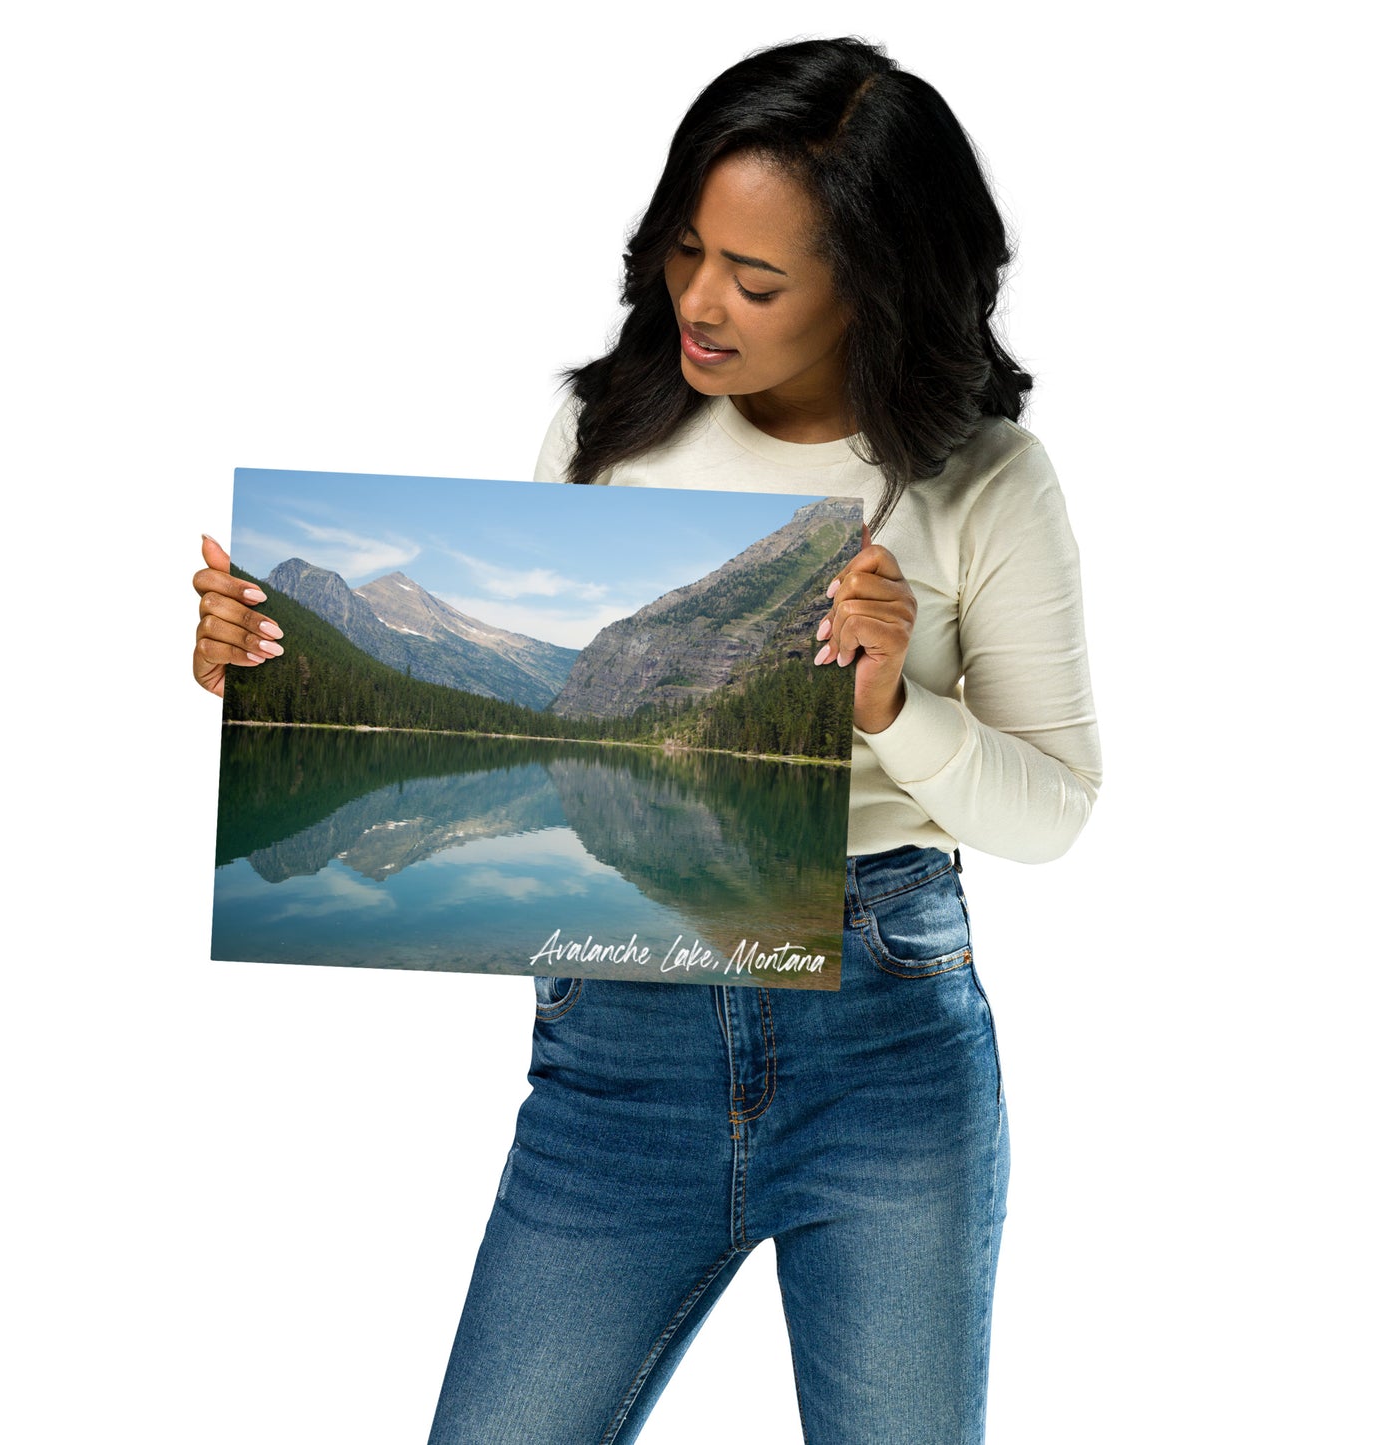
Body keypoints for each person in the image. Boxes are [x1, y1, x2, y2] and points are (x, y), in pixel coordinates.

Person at [192, 36, 1101, 1443]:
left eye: (755, 277)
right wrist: (260, 681)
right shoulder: (600, 427)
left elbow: (1052, 811)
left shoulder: (982, 478)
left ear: (873, 280)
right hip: (613, 1059)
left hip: (885, 1050)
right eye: (685, 251)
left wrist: (892, 709)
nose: (698, 302)